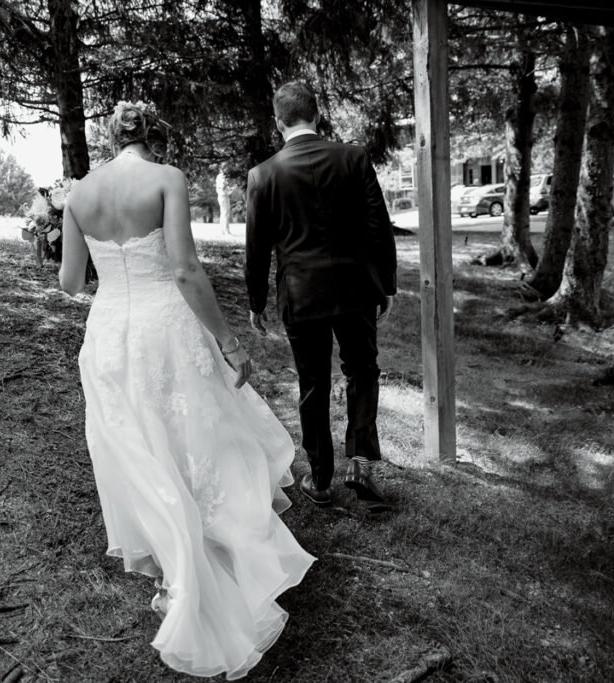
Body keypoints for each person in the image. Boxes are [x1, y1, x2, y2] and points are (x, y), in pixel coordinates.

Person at [57, 100, 315, 680]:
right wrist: (229, 342)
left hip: (108, 336)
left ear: (110, 135)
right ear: (154, 136)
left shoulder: (77, 194)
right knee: (196, 440)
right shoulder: (167, 179)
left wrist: (57, 235)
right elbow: (185, 269)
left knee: (141, 450)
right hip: (163, 330)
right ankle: (211, 561)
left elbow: (72, 284)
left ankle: (176, 568)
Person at [245, 81, 397, 513]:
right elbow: (378, 226)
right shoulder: (353, 158)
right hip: (355, 288)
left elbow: (256, 249)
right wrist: (383, 283)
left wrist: (256, 301)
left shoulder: (263, 175)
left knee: (313, 383)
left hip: (301, 293)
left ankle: (322, 477)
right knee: (363, 369)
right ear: (317, 114)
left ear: (279, 123)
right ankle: (362, 459)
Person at [216, 163, 232, 235]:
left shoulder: (223, 176)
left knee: (225, 213)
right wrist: (227, 186)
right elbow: (222, 186)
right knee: (225, 213)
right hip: (222, 196)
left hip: (225, 196)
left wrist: (230, 189)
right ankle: (225, 231)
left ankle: (225, 230)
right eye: (226, 168)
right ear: (222, 168)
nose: (227, 169)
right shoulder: (221, 177)